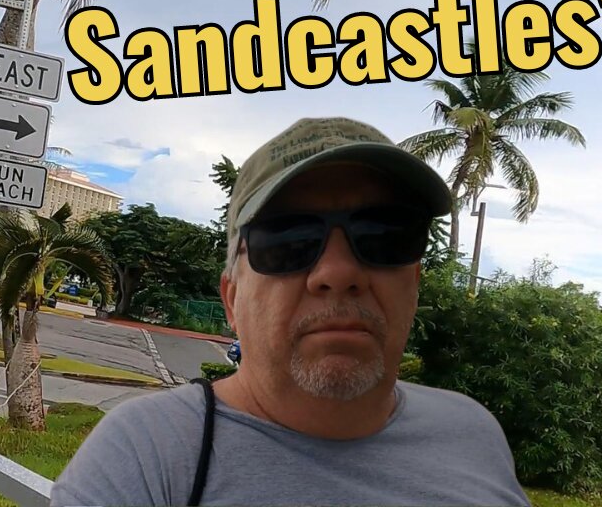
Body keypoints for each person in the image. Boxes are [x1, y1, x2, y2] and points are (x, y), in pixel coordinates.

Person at [50, 117, 531, 507]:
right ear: (233, 300)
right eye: (288, 239)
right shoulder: (146, 459)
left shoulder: (474, 433)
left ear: (415, 282)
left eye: (384, 235)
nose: (338, 271)